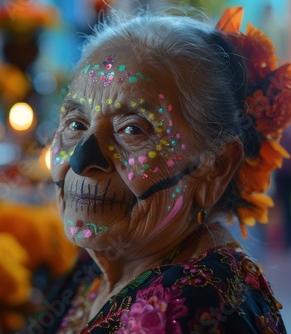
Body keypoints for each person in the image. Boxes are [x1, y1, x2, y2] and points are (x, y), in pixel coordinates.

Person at [26, 6, 290, 334]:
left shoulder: (194, 308)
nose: (81, 160)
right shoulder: (102, 262)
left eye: (132, 130)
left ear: (215, 168)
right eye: (76, 123)